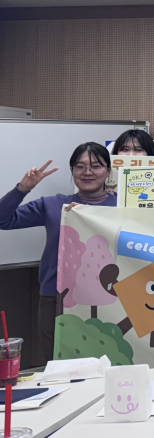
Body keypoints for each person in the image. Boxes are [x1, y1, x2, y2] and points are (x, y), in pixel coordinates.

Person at [0, 142, 118, 358]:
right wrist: (22, 189)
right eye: (80, 166)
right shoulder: (53, 205)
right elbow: (3, 220)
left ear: (108, 171)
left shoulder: (124, 207)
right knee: (58, 360)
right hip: (56, 297)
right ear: (72, 171)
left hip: (109, 297)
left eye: (96, 166)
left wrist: (91, 214)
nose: (88, 172)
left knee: (109, 356)